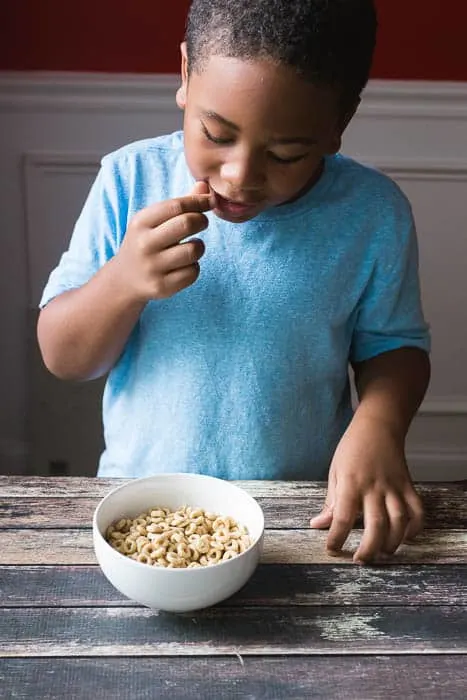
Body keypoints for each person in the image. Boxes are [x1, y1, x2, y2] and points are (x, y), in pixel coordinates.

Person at [37, 0, 431, 564]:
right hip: (142, 515)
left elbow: (397, 348)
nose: (241, 176)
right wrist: (122, 282)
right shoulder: (130, 180)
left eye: (286, 153)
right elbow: (64, 357)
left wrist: (380, 424)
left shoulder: (373, 214)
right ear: (184, 76)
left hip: (303, 516)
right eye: (216, 134)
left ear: (338, 124)